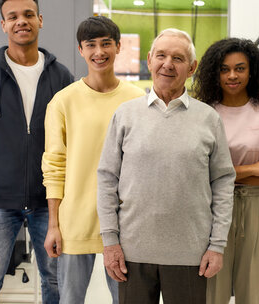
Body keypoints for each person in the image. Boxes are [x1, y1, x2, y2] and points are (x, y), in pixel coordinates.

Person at [97, 28, 236, 304]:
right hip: (132, 253)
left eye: (178, 58)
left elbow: (222, 183)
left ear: (192, 67)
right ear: (149, 60)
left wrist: (217, 245)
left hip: (190, 254)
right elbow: (106, 179)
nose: (168, 64)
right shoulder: (126, 115)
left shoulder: (208, 119)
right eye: (161, 55)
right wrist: (110, 241)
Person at [0, 0, 73, 303]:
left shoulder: (61, 77)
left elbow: (69, 144)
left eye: (28, 15)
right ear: (3, 25)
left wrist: (64, 201)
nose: (21, 21)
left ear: (40, 20)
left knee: (56, 283)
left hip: (47, 203)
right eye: (13, 17)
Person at [42, 16, 145, 303]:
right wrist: (54, 225)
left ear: (118, 47)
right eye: (91, 45)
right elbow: (53, 165)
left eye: (106, 44)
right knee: (70, 299)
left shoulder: (137, 100)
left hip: (125, 222)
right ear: (81, 50)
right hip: (74, 220)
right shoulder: (63, 101)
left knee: (124, 299)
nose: (99, 52)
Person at [193, 38, 259, 304]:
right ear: (215, 73)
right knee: (214, 287)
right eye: (224, 69)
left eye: (240, 68)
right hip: (211, 206)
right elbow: (196, 174)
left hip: (256, 206)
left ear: (252, 71)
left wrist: (225, 174)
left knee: (251, 288)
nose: (232, 75)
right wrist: (253, 168)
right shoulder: (203, 113)